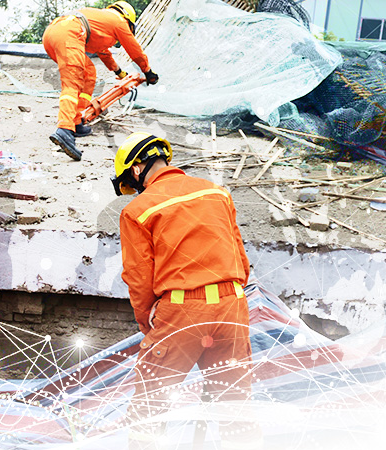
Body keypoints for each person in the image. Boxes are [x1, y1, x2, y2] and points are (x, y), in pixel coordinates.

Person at [112, 132, 261, 449]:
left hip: (182, 310)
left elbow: (139, 277)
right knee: (235, 406)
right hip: (233, 304)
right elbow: (241, 259)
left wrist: (149, 325)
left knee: (149, 406)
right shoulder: (217, 193)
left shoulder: (138, 210)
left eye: (130, 179)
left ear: (137, 169)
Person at [43, 1, 159, 161]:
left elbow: (104, 53)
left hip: (54, 33)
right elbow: (134, 50)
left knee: (89, 72)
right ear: (128, 19)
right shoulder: (118, 21)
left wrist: (119, 72)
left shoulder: (102, 22)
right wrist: (147, 71)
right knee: (72, 81)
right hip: (70, 33)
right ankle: (64, 129)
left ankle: (76, 122)